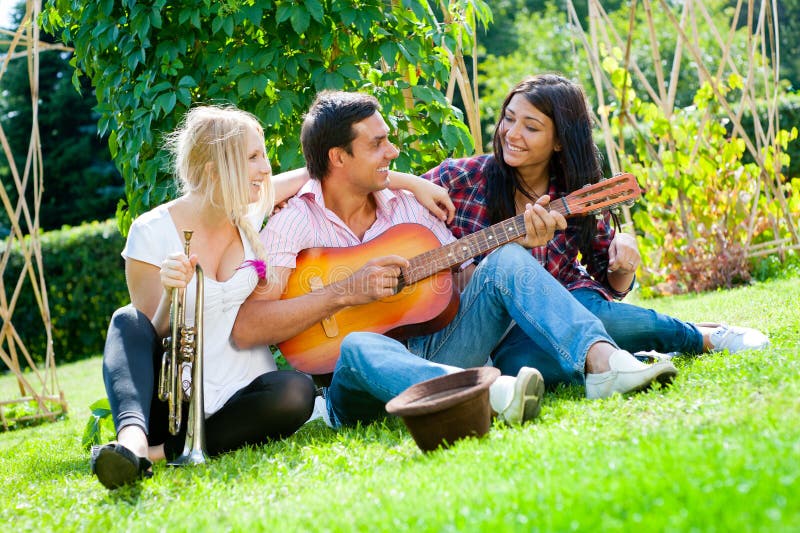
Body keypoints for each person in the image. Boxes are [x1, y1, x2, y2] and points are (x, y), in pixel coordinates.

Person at [231, 90, 678, 433]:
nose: (393, 152)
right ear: (338, 157)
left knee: (502, 258)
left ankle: (601, 364)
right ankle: (485, 390)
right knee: (359, 344)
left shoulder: (407, 208)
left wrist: (518, 248)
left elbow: (465, 281)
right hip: (358, 380)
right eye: (379, 143)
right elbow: (250, 324)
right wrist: (346, 292)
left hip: (438, 350)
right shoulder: (294, 225)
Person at [411, 74, 769, 384]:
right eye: (509, 119)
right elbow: (380, 200)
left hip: (570, 302)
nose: (512, 134)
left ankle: (706, 336)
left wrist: (623, 265)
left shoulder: (574, 195)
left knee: (595, 314)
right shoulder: (460, 179)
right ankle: (627, 358)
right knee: (518, 367)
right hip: (497, 336)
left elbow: (611, 281)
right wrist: (409, 181)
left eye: (531, 127)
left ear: (559, 141)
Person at [91, 105, 319, 490]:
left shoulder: (249, 214)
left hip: (244, 398)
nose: (266, 168)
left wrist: (414, 184)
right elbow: (152, 338)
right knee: (126, 319)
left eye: (262, 155)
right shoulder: (149, 232)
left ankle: (151, 454)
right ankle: (132, 437)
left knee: (297, 391)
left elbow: (324, 171)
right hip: (176, 404)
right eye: (253, 157)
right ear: (215, 170)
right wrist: (170, 294)